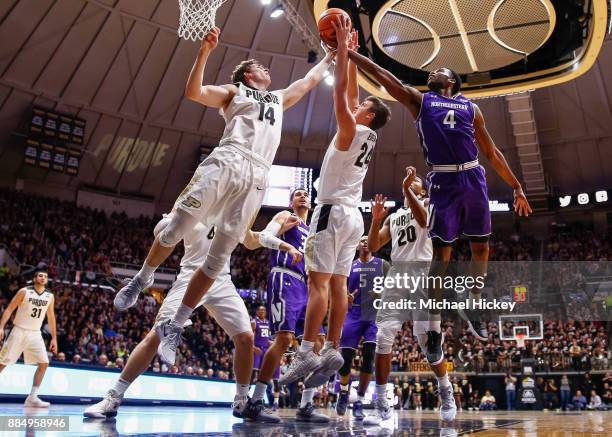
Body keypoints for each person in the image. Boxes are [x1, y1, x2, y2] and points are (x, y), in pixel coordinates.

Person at [113, 26, 335, 364]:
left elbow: (308, 82)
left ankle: (175, 325)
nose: (268, 70)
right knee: (174, 229)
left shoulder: (277, 98)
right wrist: (204, 52)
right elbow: (194, 92)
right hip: (227, 160)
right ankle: (141, 279)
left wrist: (331, 56)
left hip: (258, 174)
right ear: (248, 74)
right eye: (261, 67)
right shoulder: (235, 91)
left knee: (218, 260)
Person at [346, 43, 531, 342]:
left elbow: (492, 152)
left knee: (481, 248)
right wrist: (350, 52)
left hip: (473, 177)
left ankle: (472, 300)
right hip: (443, 183)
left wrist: (516, 186)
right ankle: (432, 327)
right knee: (441, 257)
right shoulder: (420, 100)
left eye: (440, 71)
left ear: (452, 82)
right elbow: (383, 75)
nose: (433, 71)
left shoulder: (472, 108)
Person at [83, 212, 301, 422]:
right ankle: (113, 397)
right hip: (189, 275)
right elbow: (162, 232)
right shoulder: (198, 203)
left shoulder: (236, 210)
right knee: (157, 334)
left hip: (221, 280)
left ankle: (242, 401)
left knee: (245, 338)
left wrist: (279, 228)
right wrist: (168, 220)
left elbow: (252, 241)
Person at [280, 15, 391, 390]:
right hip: (353, 217)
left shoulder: (351, 128)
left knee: (318, 284)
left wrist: (343, 51)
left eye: (363, 108)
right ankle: (330, 347)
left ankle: (308, 349)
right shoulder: (368, 136)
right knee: (339, 284)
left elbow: (341, 93)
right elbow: (354, 96)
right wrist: (353, 55)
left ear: (369, 116)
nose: (355, 107)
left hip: (330, 212)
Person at [362, 168, 456, 425]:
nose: (410, 182)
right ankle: (381, 399)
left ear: (422, 190)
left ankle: (445, 389)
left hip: (423, 272)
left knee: (428, 342)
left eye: (415, 181)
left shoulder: (427, 202)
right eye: (408, 182)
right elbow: (372, 247)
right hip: (396, 274)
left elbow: (424, 220)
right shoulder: (393, 218)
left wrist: (406, 189)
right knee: (383, 337)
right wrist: (375, 220)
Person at [249, 188, 327, 422]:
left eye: (306, 194)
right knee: (284, 339)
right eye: (298, 194)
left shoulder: (313, 231)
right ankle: (256, 401)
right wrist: (287, 246)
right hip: (285, 278)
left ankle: (305, 406)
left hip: (306, 287)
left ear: (311, 204)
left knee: (319, 342)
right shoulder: (285, 216)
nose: (303, 196)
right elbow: (264, 237)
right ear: (291, 201)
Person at [336, 236, 389, 419]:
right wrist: (346, 297)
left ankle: (358, 399)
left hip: (374, 315)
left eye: (368, 240)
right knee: (345, 358)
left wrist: (383, 293)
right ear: (357, 245)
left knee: (368, 356)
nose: (366, 242)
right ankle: (343, 392)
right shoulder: (349, 265)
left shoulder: (383, 265)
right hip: (354, 314)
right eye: (362, 240)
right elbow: (338, 288)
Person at [0, 270, 57, 407]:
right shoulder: (24, 291)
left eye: (45, 276)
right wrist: (1, 327)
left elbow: (50, 317)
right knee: (2, 362)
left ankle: (32, 398)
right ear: (34, 278)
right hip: (19, 330)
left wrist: (54, 338)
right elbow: (9, 309)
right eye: (40, 275)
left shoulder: (50, 296)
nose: (42, 278)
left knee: (44, 363)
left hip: (35, 333)